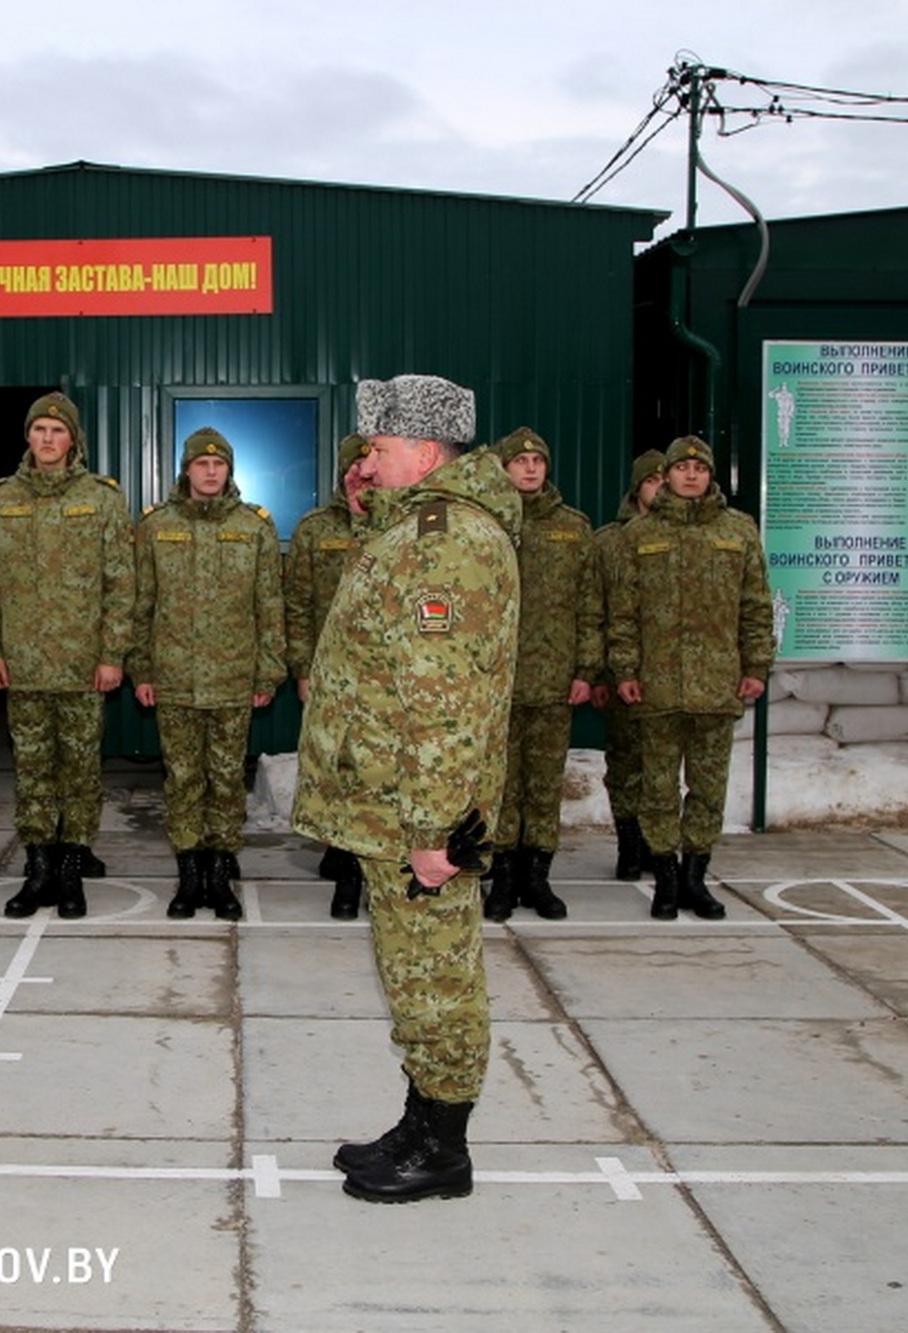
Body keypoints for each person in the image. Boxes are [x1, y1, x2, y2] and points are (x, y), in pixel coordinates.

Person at [293, 374, 520, 1204]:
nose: (367, 460)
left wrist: (433, 830)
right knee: (414, 975)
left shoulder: (446, 539)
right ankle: (421, 1120)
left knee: (437, 979)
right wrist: (369, 507)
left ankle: (442, 1148)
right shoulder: (418, 527)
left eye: (381, 450)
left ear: (426, 453)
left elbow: (445, 696)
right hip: (390, 804)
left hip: (413, 813)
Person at [0, 391, 134, 918]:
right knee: (34, 771)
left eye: (57, 431)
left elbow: (120, 583)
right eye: (39, 429)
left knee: (81, 772)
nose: (47, 439)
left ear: (72, 439)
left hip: (84, 668)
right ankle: (38, 868)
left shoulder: (103, 498)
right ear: (27, 437)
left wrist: (112, 655)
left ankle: (70, 872)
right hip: (24, 666)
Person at [607, 435, 772, 920]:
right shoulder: (639, 535)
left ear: (711, 475)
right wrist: (625, 670)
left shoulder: (739, 531)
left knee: (707, 786)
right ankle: (666, 878)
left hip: (717, 685)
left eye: (700, 469)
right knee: (657, 786)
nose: (692, 476)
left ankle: (696, 878)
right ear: (668, 474)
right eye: (682, 469)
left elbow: (756, 606)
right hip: (657, 686)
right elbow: (624, 613)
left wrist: (756, 665)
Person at [129, 427, 284, 920]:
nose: (211, 472)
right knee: (182, 780)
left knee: (224, 780)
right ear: (187, 470)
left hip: (232, 678)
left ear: (229, 471)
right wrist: (141, 668)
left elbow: (270, 607)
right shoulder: (155, 526)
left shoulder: (256, 527)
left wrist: (268, 674)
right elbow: (142, 604)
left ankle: (220, 875)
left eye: (219, 465)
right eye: (202, 464)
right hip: (173, 677)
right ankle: (188, 876)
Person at [484, 427, 597, 923]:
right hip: (497, 681)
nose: (530, 468)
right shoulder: (484, 523)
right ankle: (503, 876)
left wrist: (586, 669)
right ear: (503, 468)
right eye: (520, 460)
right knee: (502, 783)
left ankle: (538, 876)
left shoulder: (574, 527)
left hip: (554, 680)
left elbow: (590, 606)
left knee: (545, 782)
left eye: (538, 460)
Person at [283, 432, 371, 917]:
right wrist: (302, 666)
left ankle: (361, 868)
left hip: (387, 678)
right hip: (331, 675)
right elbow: (296, 604)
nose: (362, 476)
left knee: (377, 774)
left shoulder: (404, 525)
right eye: (353, 469)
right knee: (336, 768)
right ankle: (341, 855)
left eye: (369, 465)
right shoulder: (315, 529)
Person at [592, 451, 665, 880]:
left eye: (663, 479)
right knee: (624, 762)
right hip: (622, 671)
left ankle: (660, 844)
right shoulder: (607, 542)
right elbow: (596, 611)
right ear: (637, 487)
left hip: (669, 672)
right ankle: (629, 843)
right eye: (651, 481)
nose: (659, 487)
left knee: (661, 764)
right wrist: (601, 674)